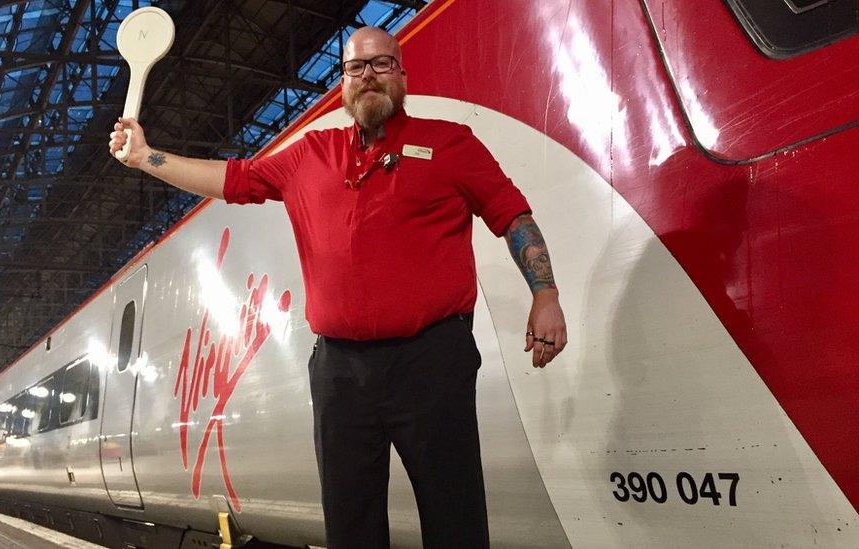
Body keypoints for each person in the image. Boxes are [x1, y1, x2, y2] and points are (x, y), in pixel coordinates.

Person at [110, 26, 566, 549]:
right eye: (355, 67)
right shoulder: (310, 155)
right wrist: (147, 157)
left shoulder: (451, 144)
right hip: (339, 372)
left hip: (432, 360)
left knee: (455, 516)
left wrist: (545, 294)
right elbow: (232, 180)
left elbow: (513, 216)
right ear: (343, 82)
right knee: (350, 525)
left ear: (401, 75)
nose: (368, 75)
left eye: (381, 64)